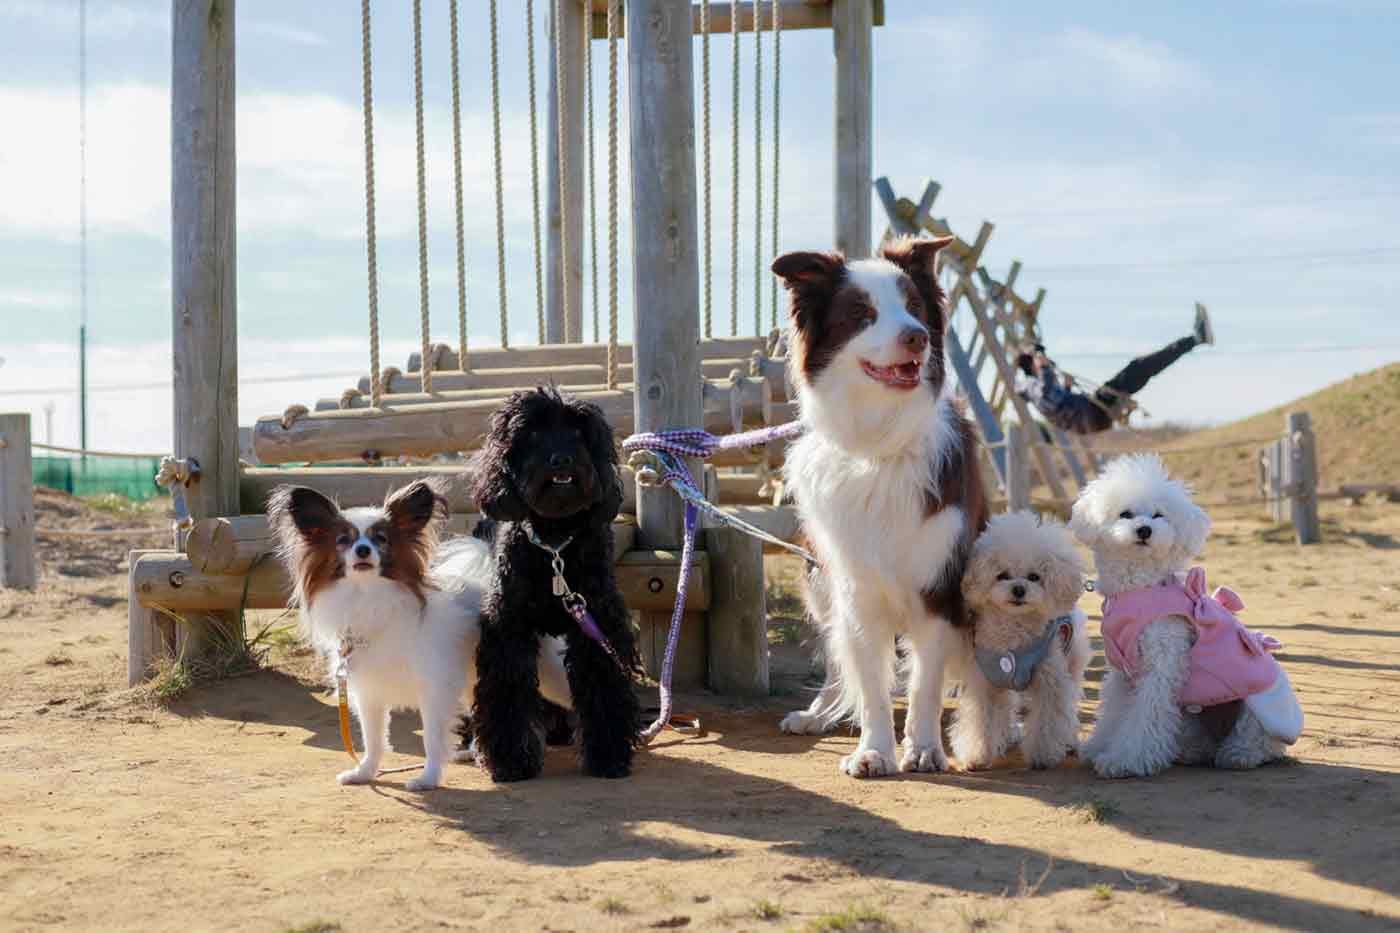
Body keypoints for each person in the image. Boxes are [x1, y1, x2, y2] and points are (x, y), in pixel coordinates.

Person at [1015, 304, 1214, 435]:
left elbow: (1056, 406)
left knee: (1140, 372)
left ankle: (1194, 339)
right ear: (1032, 365)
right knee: (1138, 369)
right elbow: (1046, 396)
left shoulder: (1034, 386)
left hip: (1090, 417)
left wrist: (1066, 388)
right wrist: (1045, 369)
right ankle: (1196, 338)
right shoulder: (1033, 384)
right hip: (1092, 412)